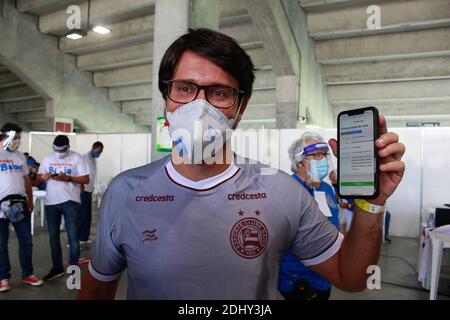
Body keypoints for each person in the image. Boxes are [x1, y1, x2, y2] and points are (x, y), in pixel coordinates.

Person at [77, 28, 406, 300]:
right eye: (185, 88)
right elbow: (97, 288)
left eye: (219, 93)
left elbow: (350, 277)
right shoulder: (125, 192)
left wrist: (371, 204)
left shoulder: (281, 193)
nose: (199, 106)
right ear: (167, 99)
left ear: (240, 107)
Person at [278, 133, 340, 300]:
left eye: (324, 155)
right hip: (297, 279)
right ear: (299, 161)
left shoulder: (326, 188)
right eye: (316, 155)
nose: (323, 160)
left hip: (326, 277)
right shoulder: (288, 188)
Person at [37, 135, 89, 281]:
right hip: (51, 202)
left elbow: (86, 179)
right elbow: (39, 177)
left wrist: (68, 178)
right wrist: (44, 177)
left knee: (73, 237)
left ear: (68, 147)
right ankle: (57, 268)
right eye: (56, 149)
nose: (59, 153)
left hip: (70, 201)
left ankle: (74, 270)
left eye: (62, 150)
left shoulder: (77, 158)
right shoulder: (48, 158)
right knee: (53, 237)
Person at [0, 123, 43, 292]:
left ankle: (28, 273)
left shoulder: (19, 157)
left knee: (26, 240)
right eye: (15, 137)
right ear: (5, 136)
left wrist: (30, 201)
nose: (18, 141)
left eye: (19, 137)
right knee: (1, 244)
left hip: (20, 205)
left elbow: (26, 180)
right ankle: (3, 277)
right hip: (0, 208)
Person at [79, 142, 103, 246]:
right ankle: (77, 238)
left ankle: (84, 237)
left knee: (87, 215)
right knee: (81, 215)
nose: (99, 154)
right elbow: (80, 173)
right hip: (83, 190)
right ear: (93, 148)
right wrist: (81, 187)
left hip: (89, 189)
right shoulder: (84, 158)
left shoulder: (93, 159)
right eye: (98, 151)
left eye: (101, 152)